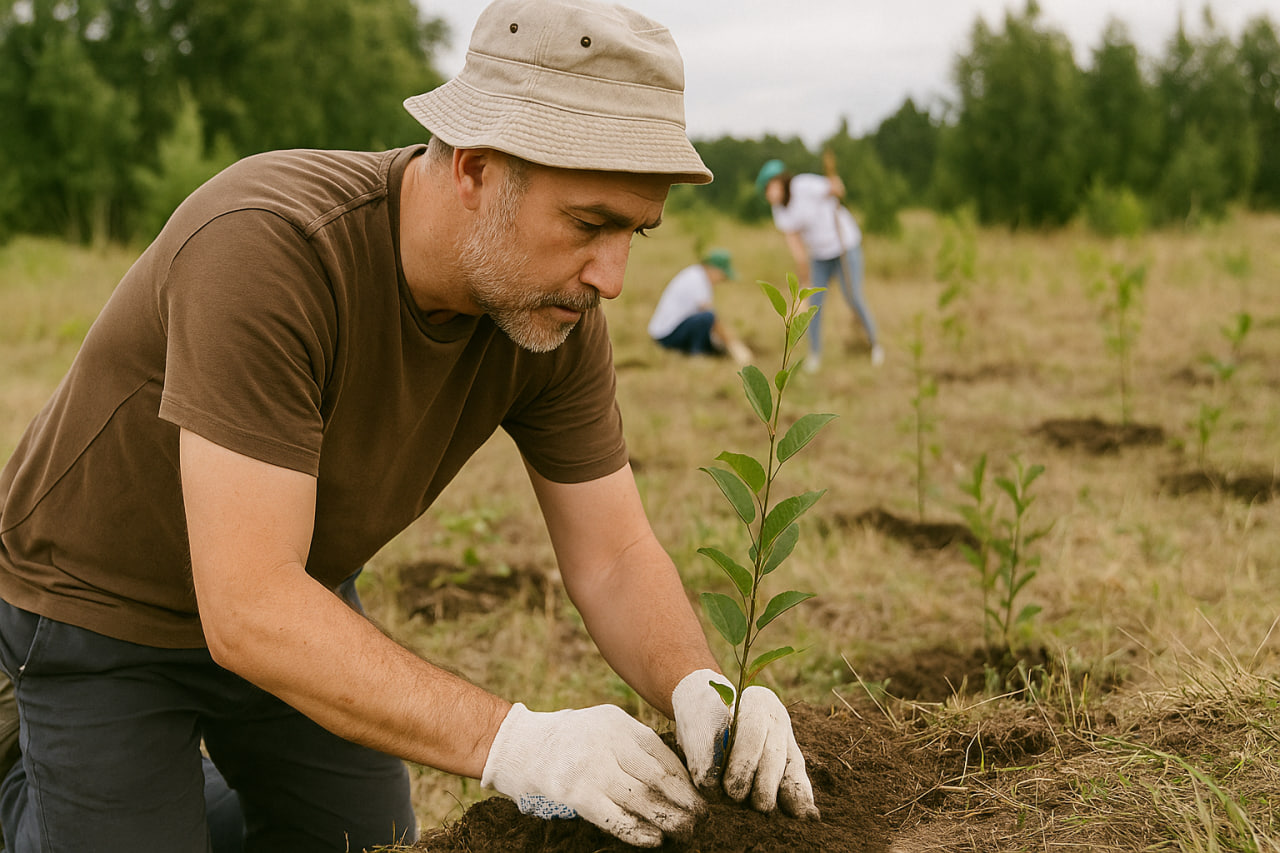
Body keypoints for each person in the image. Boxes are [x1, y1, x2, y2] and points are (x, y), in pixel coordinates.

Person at [0, 1, 820, 850]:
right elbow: (245, 604)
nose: (611, 277)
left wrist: (700, 686)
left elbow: (612, 554)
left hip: (298, 590)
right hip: (100, 611)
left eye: (635, 234)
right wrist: (515, 739)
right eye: (589, 224)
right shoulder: (267, 249)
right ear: (473, 169)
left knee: (368, 842)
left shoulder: (552, 309)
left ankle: (148, 793)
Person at [756, 158, 885, 370]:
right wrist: (803, 274)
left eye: (768, 188)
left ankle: (875, 345)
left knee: (853, 296)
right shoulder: (780, 211)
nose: (768, 194)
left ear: (780, 182)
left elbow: (837, 188)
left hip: (845, 245)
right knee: (813, 305)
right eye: (765, 191)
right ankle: (815, 355)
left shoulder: (803, 185)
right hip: (819, 256)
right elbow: (796, 246)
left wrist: (835, 189)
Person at [647, 248, 753, 365]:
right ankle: (697, 354)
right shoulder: (697, 280)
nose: (722, 281)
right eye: (722, 276)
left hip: (674, 329)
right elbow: (712, 318)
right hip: (666, 335)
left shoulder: (696, 275)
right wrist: (733, 344)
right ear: (714, 269)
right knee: (707, 317)